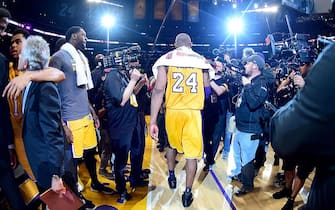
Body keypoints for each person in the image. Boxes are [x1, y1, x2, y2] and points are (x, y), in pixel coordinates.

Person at [48, 26, 114, 196]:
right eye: (84, 36)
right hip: (70, 118)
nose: (86, 39)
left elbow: (83, 90)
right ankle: (76, 197)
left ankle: (95, 183)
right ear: (74, 36)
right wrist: (63, 124)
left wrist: (92, 112)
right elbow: (51, 94)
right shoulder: (58, 58)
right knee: (72, 161)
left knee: (91, 153)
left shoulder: (81, 58)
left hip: (85, 116)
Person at [150, 33, 210, 207]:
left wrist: (153, 121)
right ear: (191, 44)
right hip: (192, 112)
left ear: (175, 44)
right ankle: (188, 193)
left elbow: (159, 90)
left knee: (171, 145)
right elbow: (207, 91)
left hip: (173, 112)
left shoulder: (166, 59)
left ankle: (170, 174)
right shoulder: (201, 61)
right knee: (192, 155)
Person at [271, 44, 335, 209]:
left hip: (309, 136)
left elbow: (282, 136)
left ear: (311, 65)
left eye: (300, 65)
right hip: (297, 129)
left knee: (302, 171)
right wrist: (288, 80)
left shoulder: (318, 80)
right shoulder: (293, 79)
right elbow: (279, 92)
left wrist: (305, 87)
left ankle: (292, 198)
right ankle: (287, 189)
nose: (297, 68)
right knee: (289, 167)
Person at [19, 35, 66, 196]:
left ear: (28, 58)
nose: (18, 55)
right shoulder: (28, 84)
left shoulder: (45, 87)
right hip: (38, 161)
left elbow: (53, 133)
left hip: (47, 165)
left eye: (21, 53)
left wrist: (56, 174)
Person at [103, 61, 147, 203]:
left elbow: (130, 94)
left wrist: (139, 84)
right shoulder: (112, 76)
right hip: (120, 125)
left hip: (131, 121)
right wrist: (134, 80)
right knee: (121, 160)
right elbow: (121, 100)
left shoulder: (122, 74)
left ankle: (135, 179)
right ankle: (121, 189)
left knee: (137, 151)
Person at [228, 54, 268, 196]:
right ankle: (240, 176)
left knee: (247, 159)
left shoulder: (261, 83)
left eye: (247, 63)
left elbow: (254, 103)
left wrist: (247, 86)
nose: (245, 66)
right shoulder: (249, 80)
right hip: (240, 127)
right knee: (238, 156)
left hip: (251, 129)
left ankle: (247, 185)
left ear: (255, 66)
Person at [0, 7, 27, 210]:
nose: (3, 35)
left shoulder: (39, 72)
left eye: (4, 30)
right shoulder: (6, 66)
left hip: (28, 138)